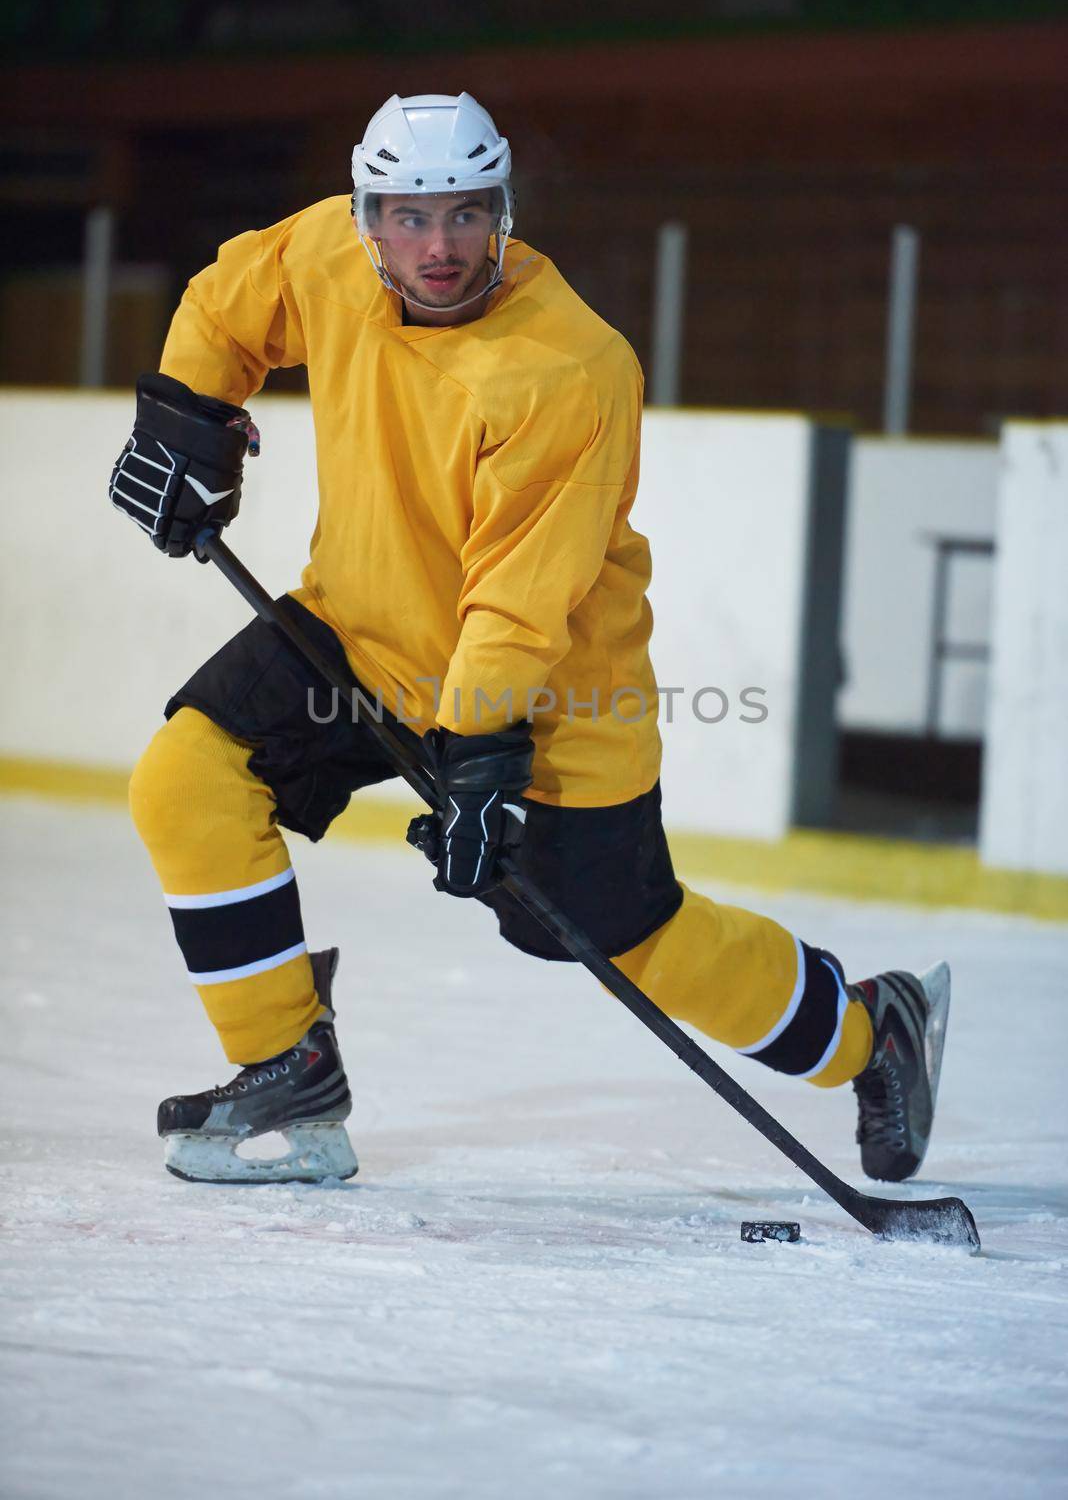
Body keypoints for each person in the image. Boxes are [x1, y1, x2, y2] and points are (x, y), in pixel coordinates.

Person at [110, 92, 949, 1186]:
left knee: (621, 939)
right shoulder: (325, 252)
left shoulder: (571, 367)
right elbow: (225, 306)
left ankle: (868, 1031)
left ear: (501, 210)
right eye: (409, 217)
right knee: (188, 781)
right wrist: (185, 418)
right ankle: (286, 1060)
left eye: (465, 213)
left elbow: (515, 604)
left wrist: (484, 758)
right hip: (361, 629)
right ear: (367, 218)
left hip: (548, 689)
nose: (439, 246)